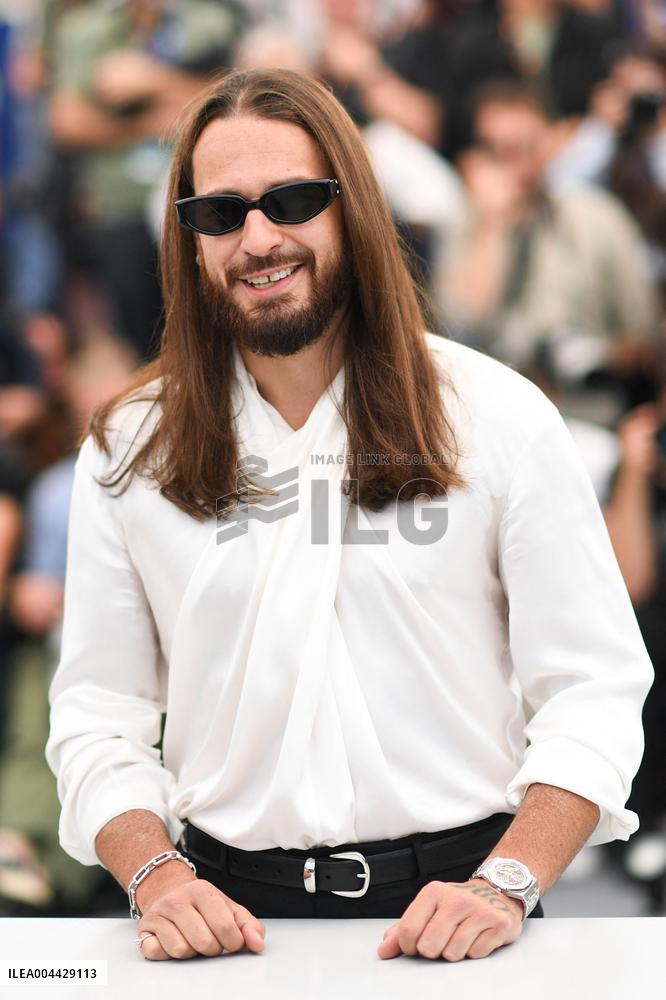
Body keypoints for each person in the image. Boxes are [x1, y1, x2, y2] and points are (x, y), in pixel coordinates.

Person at [46, 68, 653, 963]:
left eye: (293, 200)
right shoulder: (131, 446)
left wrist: (508, 881)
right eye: (220, 213)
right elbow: (99, 712)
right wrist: (158, 878)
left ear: (353, 209)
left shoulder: (498, 417)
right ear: (190, 238)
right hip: (221, 929)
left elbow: (593, 688)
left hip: (469, 921)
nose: (258, 238)